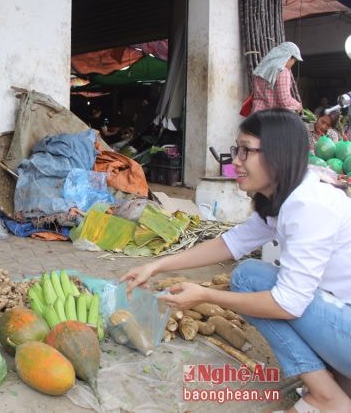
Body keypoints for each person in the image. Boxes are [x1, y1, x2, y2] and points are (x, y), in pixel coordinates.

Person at [121, 110, 351, 412]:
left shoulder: (308, 206)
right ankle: (335, 380)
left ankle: (326, 396)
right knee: (251, 276)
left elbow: (288, 304)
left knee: (248, 278)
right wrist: (156, 266)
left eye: (246, 150)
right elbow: (230, 244)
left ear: (278, 153)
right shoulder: (287, 195)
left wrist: (205, 295)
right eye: (236, 150)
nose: (236, 161)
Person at [251, 42, 303, 114]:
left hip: (256, 113)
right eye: (294, 60)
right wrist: (297, 105)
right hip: (270, 117)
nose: (293, 64)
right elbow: (284, 99)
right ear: (289, 57)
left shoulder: (261, 68)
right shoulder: (282, 71)